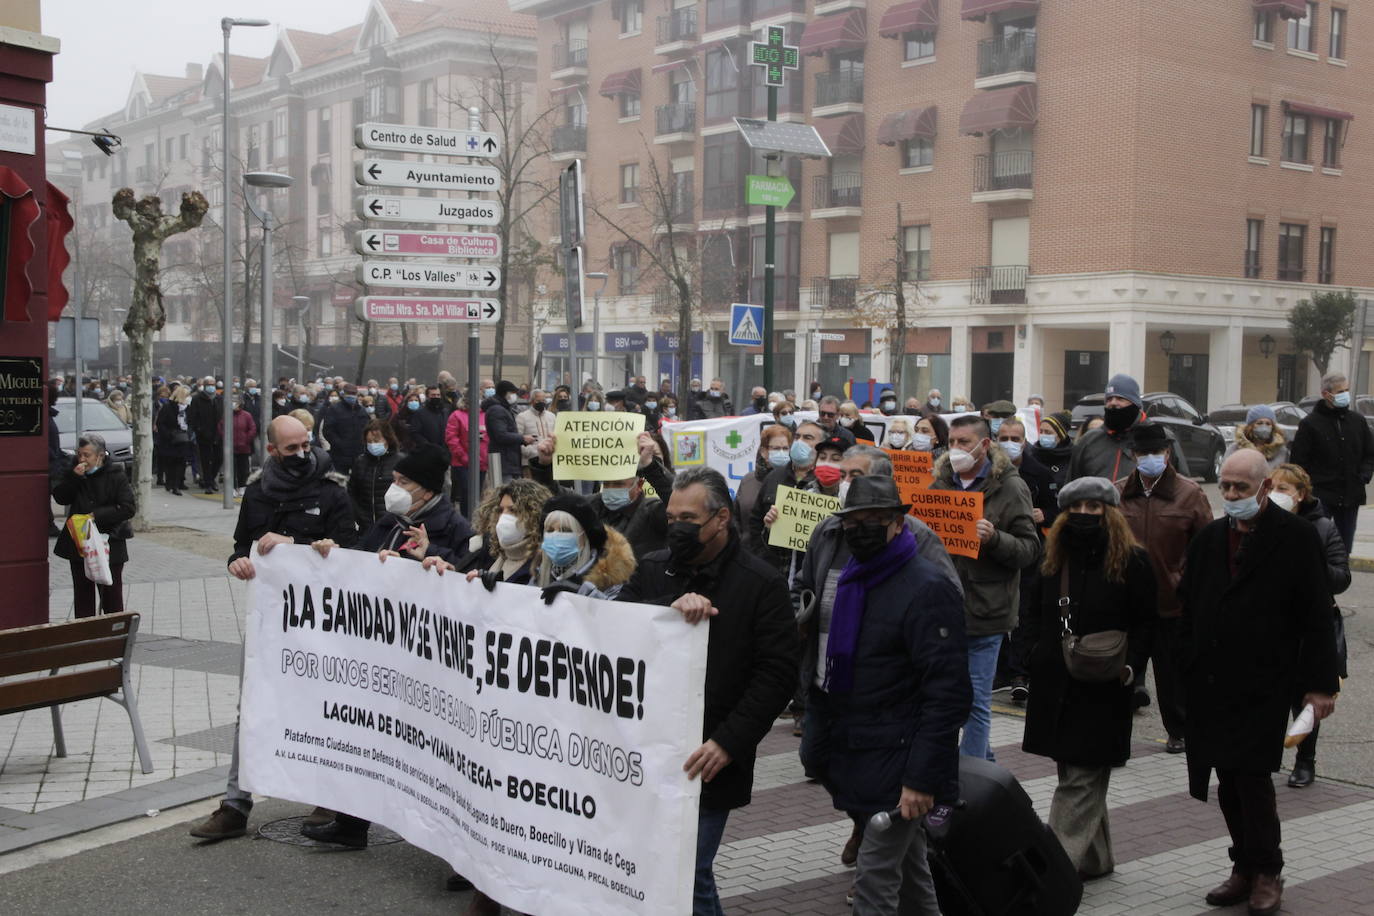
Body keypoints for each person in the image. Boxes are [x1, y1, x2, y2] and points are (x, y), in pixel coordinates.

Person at [617, 467, 798, 916]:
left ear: (720, 519)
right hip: (648, 749)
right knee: (655, 869)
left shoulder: (760, 585)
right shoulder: (655, 568)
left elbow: (776, 676)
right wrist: (667, 609)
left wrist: (728, 743)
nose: (676, 528)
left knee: (689, 873)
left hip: (709, 757)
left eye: (688, 520)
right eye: (671, 517)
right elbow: (618, 628)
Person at [798, 475, 970, 914]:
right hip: (861, 747)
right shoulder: (855, 580)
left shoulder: (927, 587)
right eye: (854, 521)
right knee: (913, 880)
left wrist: (922, 779)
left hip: (901, 760)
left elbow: (947, 694)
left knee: (874, 886)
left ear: (898, 524)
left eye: (875, 519)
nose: (862, 529)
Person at [1178, 450, 1339, 916]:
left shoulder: (1296, 538)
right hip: (1212, 681)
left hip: (1265, 682)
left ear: (1264, 487)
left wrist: (1320, 685)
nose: (1230, 496)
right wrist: (1185, 659)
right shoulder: (1210, 538)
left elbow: (1316, 616)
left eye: (1240, 489)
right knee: (1225, 778)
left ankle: (1268, 869)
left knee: (1251, 778)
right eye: (1224, 487)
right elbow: (1189, 606)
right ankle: (1243, 865)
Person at [189, 416, 358, 842]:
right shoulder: (259, 493)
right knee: (252, 707)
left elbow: (353, 555)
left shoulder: (331, 491)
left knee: (323, 709)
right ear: (271, 451)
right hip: (271, 623)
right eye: (291, 449)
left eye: (306, 445)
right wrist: (239, 562)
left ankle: (330, 799)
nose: (302, 455)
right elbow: (239, 546)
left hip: (323, 625)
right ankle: (234, 805)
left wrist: (298, 548)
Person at [1022, 477, 1155, 880]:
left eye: (1093, 509)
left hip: (1103, 687)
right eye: (1075, 509)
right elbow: (1029, 611)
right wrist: (1031, 655)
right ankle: (1096, 859)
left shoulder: (1133, 560)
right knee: (1075, 772)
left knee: (1080, 779)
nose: (1083, 516)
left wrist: (1132, 668)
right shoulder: (1052, 557)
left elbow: (1147, 623)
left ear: (1109, 513)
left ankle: (1052, 874)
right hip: (1054, 683)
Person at [928, 415, 1039, 761]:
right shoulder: (940, 485)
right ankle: (985, 766)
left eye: (964, 443)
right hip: (943, 610)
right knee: (947, 697)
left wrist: (994, 539)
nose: (956, 450)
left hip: (986, 612)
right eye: (952, 443)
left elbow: (1029, 549)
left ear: (985, 445)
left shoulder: (1009, 487)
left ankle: (969, 779)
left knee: (976, 701)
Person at [1114, 422, 1213, 747]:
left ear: (1168, 454)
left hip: (1172, 601)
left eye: (1157, 452)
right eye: (1144, 453)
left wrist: (1187, 585)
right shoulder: (1117, 492)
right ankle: (1115, 734)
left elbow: (1206, 546)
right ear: (1133, 455)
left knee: (1173, 675)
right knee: (1121, 672)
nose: (1151, 458)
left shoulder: (1190, 493)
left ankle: (1179, 732)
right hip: (1128, 603)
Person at [1269, 463, 1351, 789]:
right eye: (1271, 487)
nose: (1276, 495)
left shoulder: (1323, 527)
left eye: (1284, 489)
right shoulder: (1259, 524)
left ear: (1301, 495)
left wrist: (1313, 564)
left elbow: (1342, 577)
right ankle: (1265, 756)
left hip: (1308, 626)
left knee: (1305, 696)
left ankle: (1305, 761)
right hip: (1271, 625)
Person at [994, 415, 1058, 703]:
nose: (1009, 444)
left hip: (1031, 552)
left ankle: (1020, 672)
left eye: (1015, 439)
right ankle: (1001, 670)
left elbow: (1057, 511)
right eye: (1004, 438)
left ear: (1024, 441)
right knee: (996, 609)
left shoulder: (1040, 473)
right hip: (996, 549)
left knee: (1024, 613)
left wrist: (1045, 514)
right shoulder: (989, 472)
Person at [52, 433, 136, 617]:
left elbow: (127, 508)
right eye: (79, 454)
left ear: (100, 456)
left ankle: (114, 635)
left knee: (111, 596)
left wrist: (95, 516)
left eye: (87, 455)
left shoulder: (116, 475)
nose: (82, 459)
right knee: (83, 595)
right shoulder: (73, 471)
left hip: (110, 541)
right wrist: (74, 478)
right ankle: (84, 634)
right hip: (80, 544)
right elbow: (60, 497)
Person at [352, 442, 473, 569]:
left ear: (427, 492)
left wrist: (429, 551)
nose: (394, 487)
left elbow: (466, 570)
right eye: (394, 480)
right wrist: (336, 553)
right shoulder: (389, 521)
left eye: (403, 482)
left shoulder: (455, 528)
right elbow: (362, 552)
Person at [1291, 371, 1374, 554]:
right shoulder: (1310, 424)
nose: (1345, 394)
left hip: (1350, 494)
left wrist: (1364, 475)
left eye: (1347, 390)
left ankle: (1340, 579)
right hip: (1321, 496)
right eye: (1340, 391)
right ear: (1326, 394)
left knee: (1343, 549)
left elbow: (1369, 453)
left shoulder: (1357, 421)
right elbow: (1298, 462)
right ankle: (1319, 580)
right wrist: (1308, 488)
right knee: (1318, 544)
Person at [1068, 374, 1184, 482]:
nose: (1113, 403)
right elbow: (1072, 487)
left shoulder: (1163, 437)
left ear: (1135, 403)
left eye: (1120, 398)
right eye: (1109, 399)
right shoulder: (1088, 441)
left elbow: (1183, 488)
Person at [533, 492, 636, 599]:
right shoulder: (539, 573)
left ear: (585, 536)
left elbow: (616, 612)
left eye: (566, 530)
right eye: (550, 530)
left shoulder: (611, 580)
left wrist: (586, 596)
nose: (556, 535)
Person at [592, 435, 669, 561]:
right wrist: (547, 468)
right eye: (606, 484)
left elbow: (675, 503)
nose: (611, 489)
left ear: (638, 485)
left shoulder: (652, 512)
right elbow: (560, 499)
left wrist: (651, 467)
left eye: (618, 484)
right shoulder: (593, 506)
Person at [463, 478, 552, 585]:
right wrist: (449, 570)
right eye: (501, 510)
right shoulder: (491, 554)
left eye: (513, 510)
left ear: (534, 515)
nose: (504, 516)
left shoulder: (543, 565)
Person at [738, 424, 793, 545]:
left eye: (785, 448)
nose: (781, 453)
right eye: (776, 449)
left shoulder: (794, 482)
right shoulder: (748, 481)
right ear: (764, 452)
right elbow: (737, 520)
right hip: (748, 550)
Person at [348, 419, 401, 528]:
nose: (373, 444)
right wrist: (358, 515)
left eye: (376, 441)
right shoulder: (360, 462)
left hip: (391, 524)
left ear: (388, 439)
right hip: (365, 524)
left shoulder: (399, 462)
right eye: (369, 441)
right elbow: (352, 492)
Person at [445, 398, 489, 517]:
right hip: (463, 463)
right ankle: (466, 519)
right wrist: (465, 457)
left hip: (482, 462)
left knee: (478, 494)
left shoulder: (484, 415)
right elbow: (452, 439)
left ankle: (475, 519)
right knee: (467, 493)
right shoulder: (456, 415)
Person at [316, 383, 368, 474]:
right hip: (339, 454)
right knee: (340, 478)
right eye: (349, 393)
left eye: (354, 394)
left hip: (358, 452)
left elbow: (367, 428)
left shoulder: (361, 410)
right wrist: (339, 444)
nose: (351, 396)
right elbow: (328, 430)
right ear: (343, 394)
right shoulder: (334, 409)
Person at [485, 379, 530, 483]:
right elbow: (501, 435)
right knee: (505, 492)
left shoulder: (504, 409)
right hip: (504, 462)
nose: (514, 396)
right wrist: (522, 438)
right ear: (506, 393)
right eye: (513, 393)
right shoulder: (497, 410)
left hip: (507, 461)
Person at [1224, 404, 1289, 471]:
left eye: (1268, 424)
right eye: (1259, 423)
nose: (1264, 427)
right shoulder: (1235, 449)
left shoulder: (1281, 451)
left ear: (1273, 427)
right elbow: (1224, 474)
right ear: (1251, 426)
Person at [156, 386, 194, 495]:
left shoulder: (188, 408)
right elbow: (160, 423)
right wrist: (169, 434)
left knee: (181, 463)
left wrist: (189, 432)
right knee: (171, 463)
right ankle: (171, 483)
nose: (188, 398)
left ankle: (177, 484)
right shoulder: (168, 407)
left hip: (183, 439)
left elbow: (191, 422)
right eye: (187, 396)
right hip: (170, 441)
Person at [1032, 410, 1074, 506]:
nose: (1043, 435)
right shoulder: (1033, 454)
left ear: (1061, 435)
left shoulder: (1072, 457)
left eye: (1048, 432)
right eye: (1041, 431)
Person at [517, 388, 558, 487]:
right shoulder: (522, 417)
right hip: (529, 461)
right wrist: (533, 453)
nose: (541, 403)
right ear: (532, 401)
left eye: (543, 400)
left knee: (549, 487)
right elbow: (518, 439)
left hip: (549, 461)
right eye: (538, 401)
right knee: (532, 488)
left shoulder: (552, 416)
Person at [219, 396, 258, 497]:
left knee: (243, 469)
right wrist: (226, 439)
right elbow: (221, 427)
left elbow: (252, 428)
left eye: (236, 402)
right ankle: (231, 488)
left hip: (244, 447)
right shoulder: (226, 415)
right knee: (231, 469)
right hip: (230, 448)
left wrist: (246, 440)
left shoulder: (247, 415)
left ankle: (242, 487)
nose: (234, 404)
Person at [188, 376, 221, 493]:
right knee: (205, 460)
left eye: (213, 384)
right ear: (205, 385)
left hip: (218, 434)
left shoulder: (219, 398)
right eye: (209, 384)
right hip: (203, 434)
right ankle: (208, 483)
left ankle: (211, 479)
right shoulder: (197, 399)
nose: (211, 387)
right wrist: (198, 429)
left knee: (218, 458)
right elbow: (192, 416)